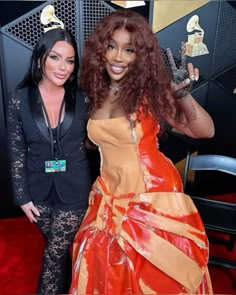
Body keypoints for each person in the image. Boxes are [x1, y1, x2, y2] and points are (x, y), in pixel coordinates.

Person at [69, 10, 215, 295]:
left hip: (150, 196)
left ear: (140, 56)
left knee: (154, 277)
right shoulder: (98, 90)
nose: (117, 57)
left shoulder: (149, 92)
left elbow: (204, 131)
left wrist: (183, 94)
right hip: (108, 196)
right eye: (111, 47)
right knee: (109, 273)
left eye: (129, 50)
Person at [7, 28, 91, 295]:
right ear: (41, 57)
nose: (63, 67)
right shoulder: (18, 100)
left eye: (70, 60)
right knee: (60, 250)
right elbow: (16, 148)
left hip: (75, 190)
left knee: (53, 255)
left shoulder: (84, 98)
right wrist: (21, 195)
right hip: (37, 191)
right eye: (55, 57)